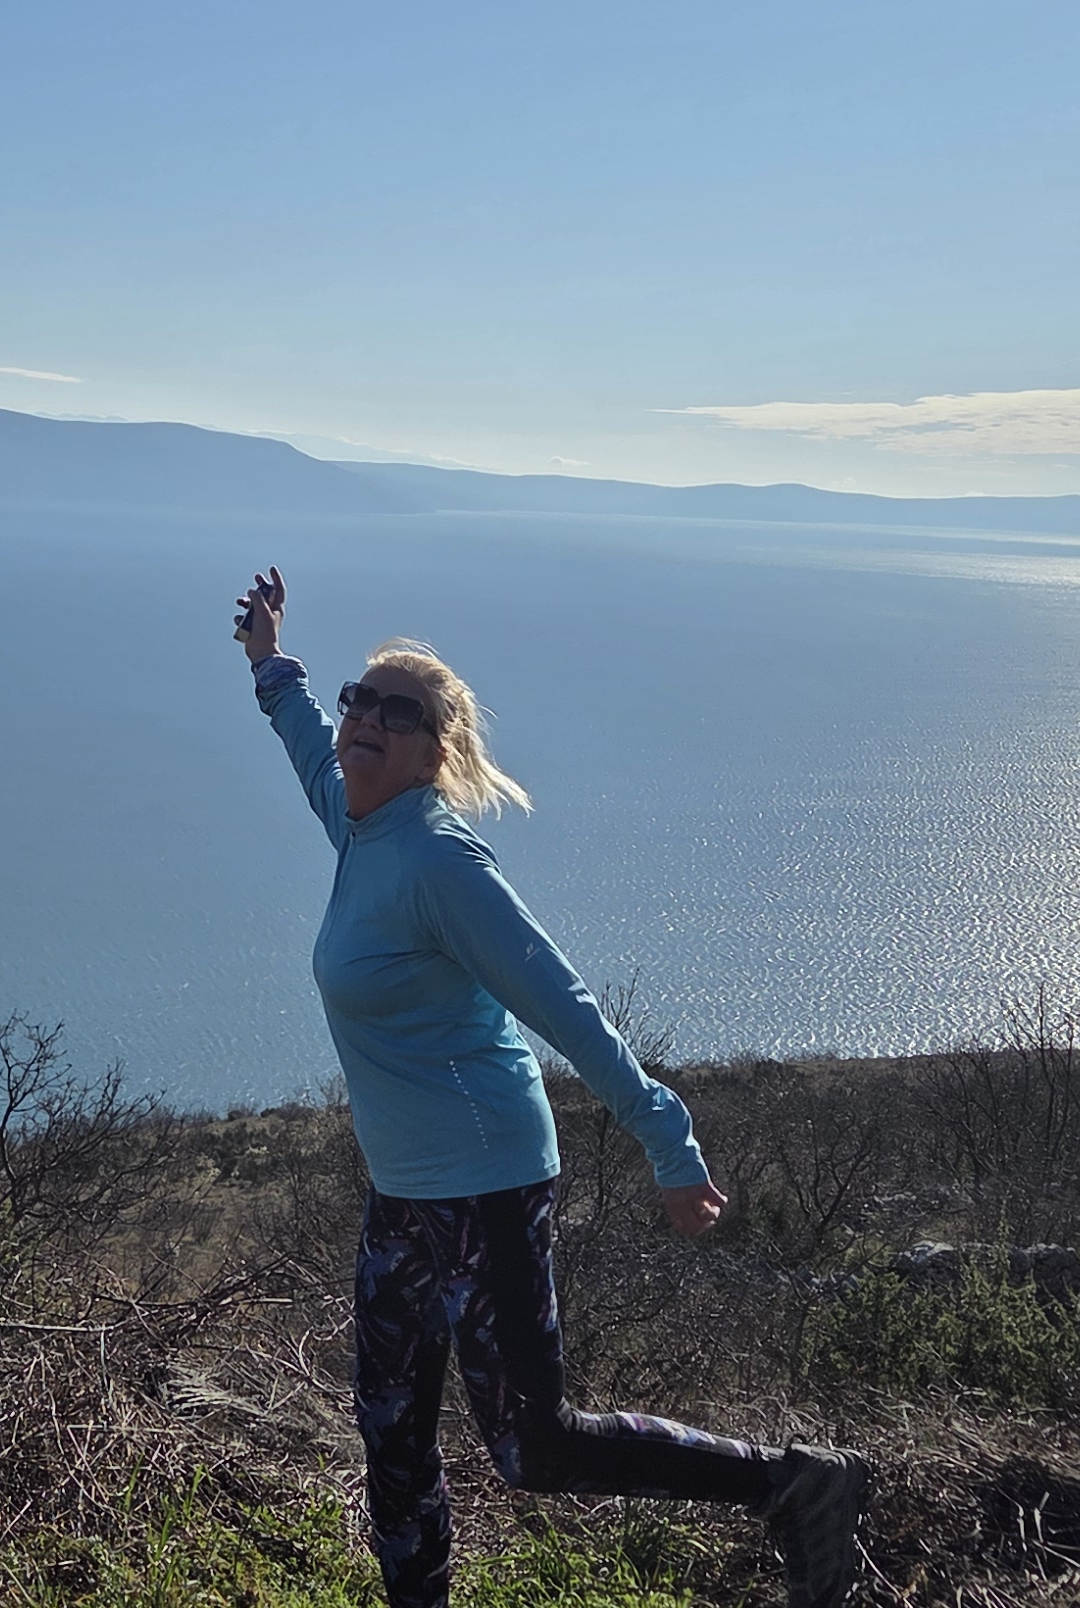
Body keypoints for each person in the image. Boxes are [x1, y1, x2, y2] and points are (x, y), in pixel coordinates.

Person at [226, 566, 871, 1608]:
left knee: (535, 1447)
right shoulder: (359, 820)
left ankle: (794, 1485)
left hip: (486, 1180)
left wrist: (667, 1137)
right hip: (404, 1191)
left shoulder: (440, 861)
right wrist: (270, 662)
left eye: (399, 712)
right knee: (391, 1432)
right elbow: (308, 745)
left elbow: (561, 1002)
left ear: (435, 753)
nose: (367, 718)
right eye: (360, 699)